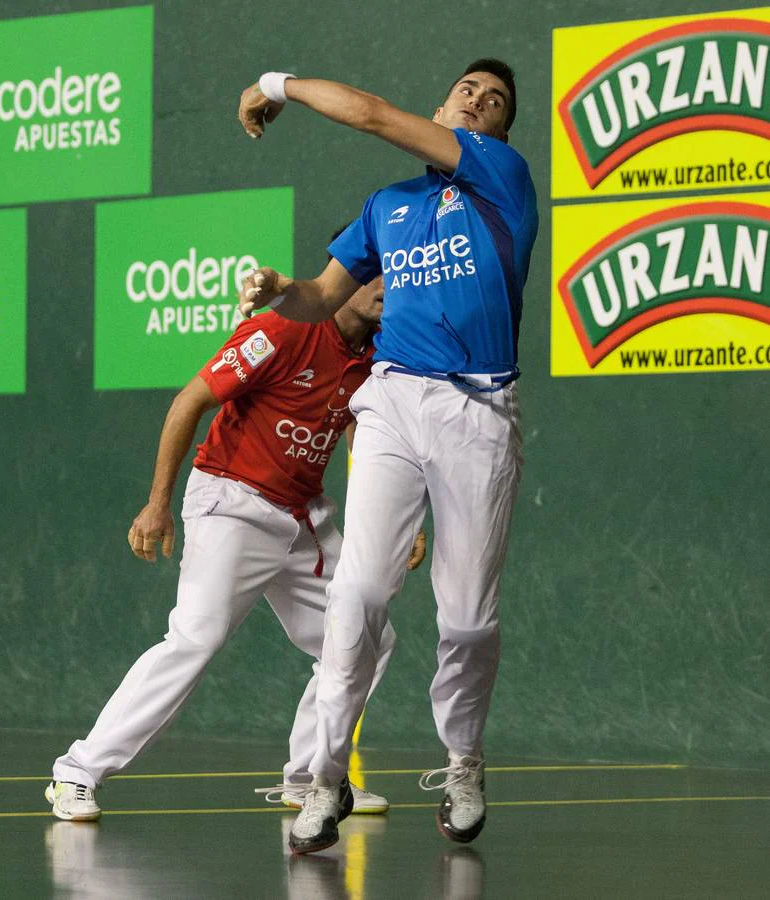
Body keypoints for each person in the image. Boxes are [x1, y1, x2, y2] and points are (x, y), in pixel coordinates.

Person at [236, 58, 538, 853]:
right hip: (392, 403)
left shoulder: (501, 178)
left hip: (477, 415)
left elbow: (368, 112)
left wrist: (276, 85)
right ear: (445, 102)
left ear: (495, 133)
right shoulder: (386, 207)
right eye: (467, 90)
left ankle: (463, 758)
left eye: (494, 102)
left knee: (467, 622)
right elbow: (322, 296)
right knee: (356, 597)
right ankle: (323, 779)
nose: (477, 101)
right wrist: (280, 289)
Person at [45, 273, 425, 822]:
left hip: (302, 517)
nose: (392, 286)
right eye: (377, 273)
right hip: (233, 501)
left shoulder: (376, 357)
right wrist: (157, 504)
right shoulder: (281, 331)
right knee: (195, 638)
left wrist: (402, 515)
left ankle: (310, 780)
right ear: (343, 275)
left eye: (401, 274)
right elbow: (188, 402)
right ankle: (76, 772)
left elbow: (364, 435)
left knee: (367, 634)